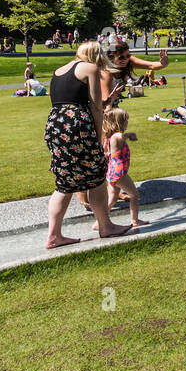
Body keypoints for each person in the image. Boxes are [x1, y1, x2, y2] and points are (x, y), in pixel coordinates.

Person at [44, 42, 130, 249]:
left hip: (56, 125)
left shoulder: (59, 71)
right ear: (96, 54)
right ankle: (105, 226)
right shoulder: (90, 68)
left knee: (64, 182)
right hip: (79, 126)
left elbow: (68, 101)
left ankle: (54, 235)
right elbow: (94, 107)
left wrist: (108, 100)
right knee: (97, 176)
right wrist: (100, 136)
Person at [100, 107, 148, 229]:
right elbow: (121, 137)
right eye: (125, 120)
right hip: (119, 173)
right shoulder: (117, 136)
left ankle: (99, 222)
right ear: (118, 122)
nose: (127, 123)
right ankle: (135, 220)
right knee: (134, 195)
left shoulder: (108, 137)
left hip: (111, 173)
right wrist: (129, 135)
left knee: (112, 198)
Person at [100, 37, 169, 109]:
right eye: (121, 57)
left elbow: (150, 65)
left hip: (112, 104)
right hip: (100, 107)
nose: (125, 59)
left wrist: (163, 64)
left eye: (128, 56)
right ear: (111, 57)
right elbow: (106, 103)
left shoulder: (128, 61)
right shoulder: (106, 72)